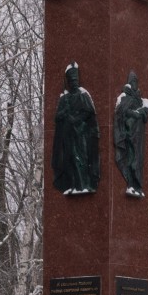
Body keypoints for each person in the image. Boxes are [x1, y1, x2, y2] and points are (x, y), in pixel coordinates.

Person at [52, 62, 100, 195]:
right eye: (71, 80)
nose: (74, 82)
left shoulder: (83, 96)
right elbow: (57, 117)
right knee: (70, 159)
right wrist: (64, 112)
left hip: (81, 133)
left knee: (82, 158)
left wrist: (77, 119)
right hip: (67, 135)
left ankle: (83, 184)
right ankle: (73, 185)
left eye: (76, 80)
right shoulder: (64, 99)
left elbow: (89, 113)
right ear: (68, 81)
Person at [113, 70, 148, 197]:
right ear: (129, 83)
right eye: (133, 82)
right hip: (129, 134)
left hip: (139, 136)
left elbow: (145, 117)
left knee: (138, 160)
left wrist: (143, 111)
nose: (135, 84)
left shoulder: (140, 100)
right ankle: (130, 183)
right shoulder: (125, 97)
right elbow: (121, 112)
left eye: (136, 82)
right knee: (130, 158)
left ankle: (137, 185)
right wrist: (133, 113)